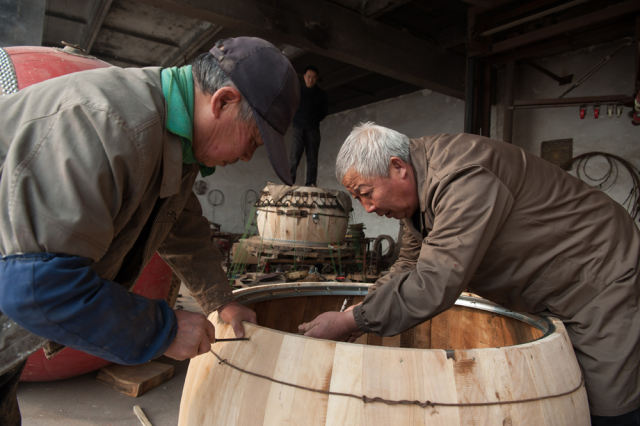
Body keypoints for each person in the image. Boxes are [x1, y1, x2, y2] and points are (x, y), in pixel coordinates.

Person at [0, 36, 299, 424]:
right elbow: (37, 286)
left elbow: (180, 221)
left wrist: (220, 300)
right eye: (253, 141)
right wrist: (163, 330)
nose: (246, 157)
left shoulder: (172, 142)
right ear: (223, 101)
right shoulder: (107, 123)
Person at [298, 122, 640, 425]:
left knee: (607, 404)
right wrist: (361, 312)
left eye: (367, 194)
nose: (368, 208)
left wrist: (350, 321)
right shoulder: (416, 193)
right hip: (551, 290)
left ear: (398, 167)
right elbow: (407, 265)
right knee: (567, 393)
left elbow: (434, 283)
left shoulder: (463, 178)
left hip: (599, 277)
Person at [289, 65, 328, 186]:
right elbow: (290, 107)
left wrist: (313, 119)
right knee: (294, 156)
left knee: (312, 157)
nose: (310, 80)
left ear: (316, 79)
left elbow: (324, 111)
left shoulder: (321, 94)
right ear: (304, 77)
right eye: (308, 77)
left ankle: (311, 183)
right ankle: (289, 181)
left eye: (313, 78)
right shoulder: (297, 91)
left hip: (313, 129)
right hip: (298, 128)